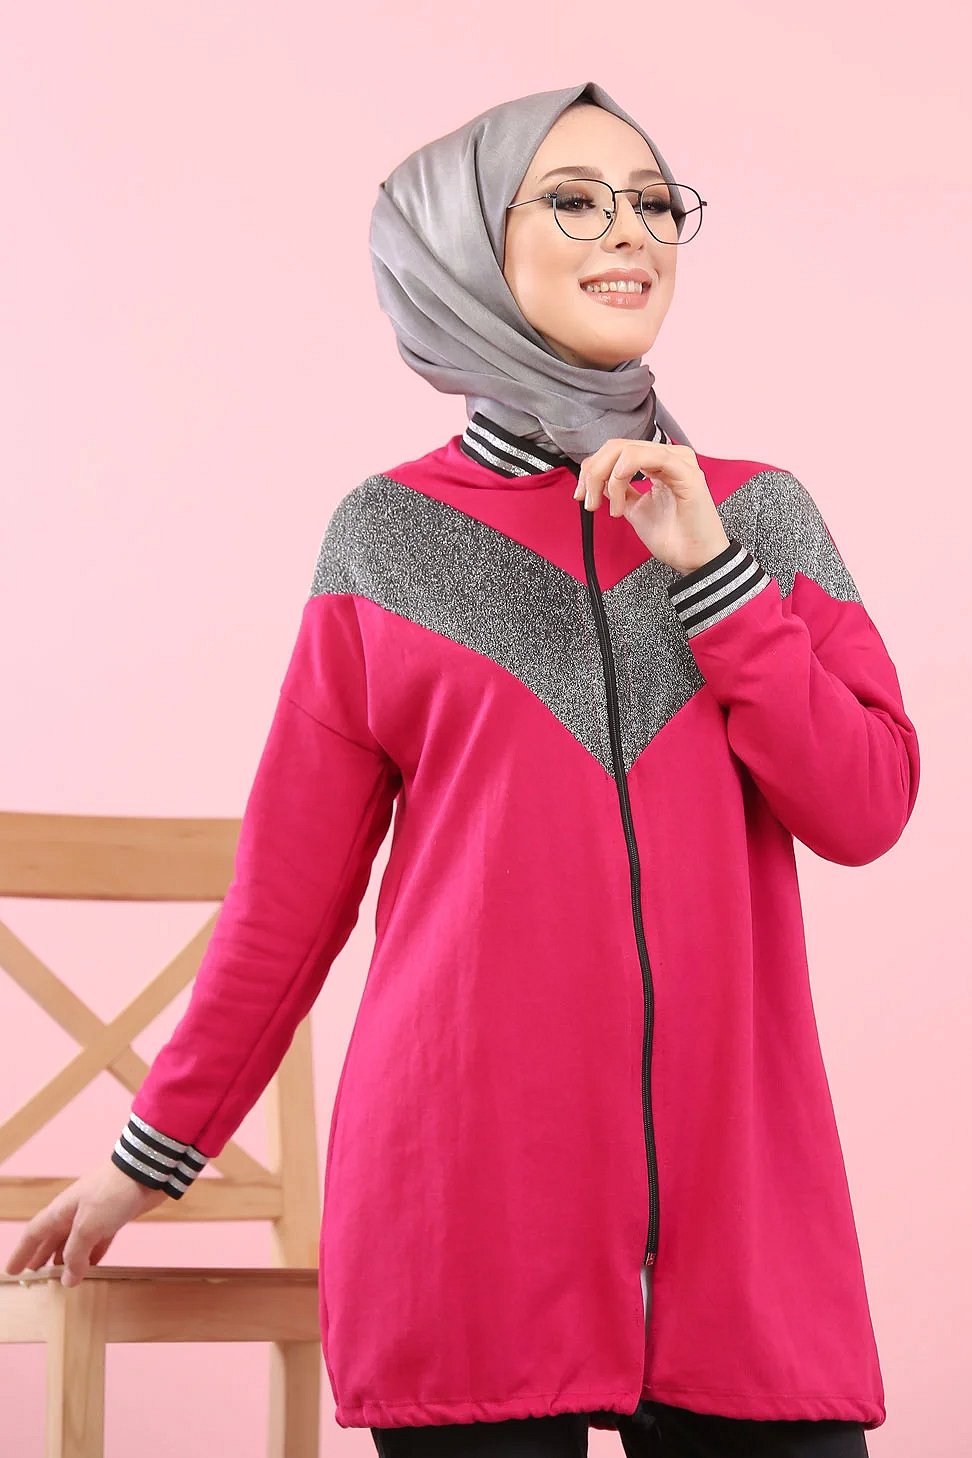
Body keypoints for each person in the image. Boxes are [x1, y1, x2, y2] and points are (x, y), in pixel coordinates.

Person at [6, 81, 919, 1458]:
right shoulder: (389, 539)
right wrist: (151, 1157)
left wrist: (715, 578)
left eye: (653, 202)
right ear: (465, 249)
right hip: (462, 1216)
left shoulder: (758, 514)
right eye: (576, 201)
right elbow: (287, 901)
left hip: (740, 1228)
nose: (632, 232)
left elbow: (865, 805)